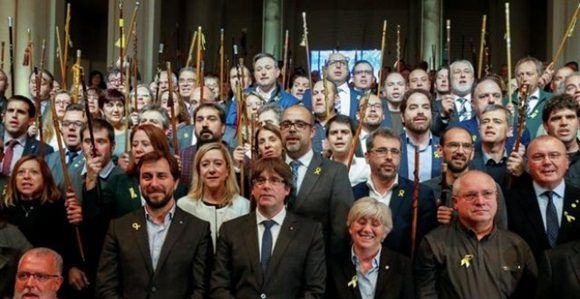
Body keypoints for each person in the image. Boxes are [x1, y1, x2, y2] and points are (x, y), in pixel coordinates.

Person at [96, 151, 212, 298]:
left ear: (175, 182)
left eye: (161, 176)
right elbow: (105, 286)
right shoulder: (119, 228)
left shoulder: (198, 230)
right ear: (139, 183)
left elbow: (201, 289)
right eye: (147, 177)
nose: (154, 183)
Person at [211, 157, 326, 298]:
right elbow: (219, 286)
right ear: (252, 189)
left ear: (287, 189)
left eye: (274, 180)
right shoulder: (230, 230)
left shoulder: (309, 232)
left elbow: (314, 289)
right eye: (260, 181)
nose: (266, 186)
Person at [415, 170, 537, 298]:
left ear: (496, 198)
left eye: (487, 194)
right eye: (471, 195)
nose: (480, 202)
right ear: (455, 202)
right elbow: (426, 294)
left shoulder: (517, 245)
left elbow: (532, 293)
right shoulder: (434, 244)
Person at [281, 105, 354, 255]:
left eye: (300, 125)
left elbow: (341, 230)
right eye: (286, 125)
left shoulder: (335, 172)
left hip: (318, 265)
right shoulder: (269, 170)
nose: (292, 129)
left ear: (313, 131)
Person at [352, 128, 437, 256]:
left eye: (395, 152)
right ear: (367, 157)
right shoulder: (352, 194)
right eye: (381, 151)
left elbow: (426, 249)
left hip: (403, 272)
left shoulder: (420, 195)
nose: (389, 157)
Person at [506, 135, 580, 262]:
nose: (546, 162)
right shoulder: (511, 201)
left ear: (567, 162)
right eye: (538, 157)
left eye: (554, 155)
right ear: (527, 164)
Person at [327, 197, 414, 299]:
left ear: (385, 231)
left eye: (375, 224)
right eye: (362, 222)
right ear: (350, 227)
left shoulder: (401, 265)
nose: (367, 229)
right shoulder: (334, 264)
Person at [423, 126, 508, 228]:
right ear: (440, 150)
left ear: (472, 153)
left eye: (466, 146)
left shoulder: (490, 188)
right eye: (453, 145)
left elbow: (501, 233)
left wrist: (456, 219)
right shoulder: (425, 190)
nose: (460, 151)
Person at [96, 124, 187, 218]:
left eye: (145, 144)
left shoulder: (176, 186)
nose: (138, 149)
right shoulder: (118, 183)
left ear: (159, 148)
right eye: (134, 145)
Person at [177, 142, 250, 248]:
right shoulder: (184, 206)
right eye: (205, 164)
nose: (211, 170)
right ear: (199, 171)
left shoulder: (243, 206)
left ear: (228, 170)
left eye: (218, 163)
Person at [226, 53, 299, 127]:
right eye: (258, 69)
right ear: (254, 74)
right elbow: (230, 126)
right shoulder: (242, 96)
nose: (263, 73)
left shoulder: (291, 102)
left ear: (277, 72)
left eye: (268, 68)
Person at [469, 105, 525, 186]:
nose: (489, 125)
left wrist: (520, 175)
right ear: (479, 129)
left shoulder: (518, 162)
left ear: (509, 131)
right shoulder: (469, 159)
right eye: (485, 121)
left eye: (497, 121)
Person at [1, 96, 54, 175]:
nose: (14, 115)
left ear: (31, 121)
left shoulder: (43, 150)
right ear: (3, 117)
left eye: (21, 112)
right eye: (10, 110)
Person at [398, 89, 441, 182]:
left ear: (432, 115)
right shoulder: (393, 146)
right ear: (402, 116)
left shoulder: (444, 147)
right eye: (413, 107)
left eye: (425, 107)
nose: (420, 111)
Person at [45, 104, 86, 196]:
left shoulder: (93, 160)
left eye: (78, 124)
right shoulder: (48, 159)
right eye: (66, 124)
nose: (71, 128)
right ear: (61, 129)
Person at [303, 52, 361, 119]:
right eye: (333, 63)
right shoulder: (308, 95)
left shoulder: (360, 98)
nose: (338, 66)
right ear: (326, 70)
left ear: (348, 70)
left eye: (343, 63)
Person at [507, 56, 552, 138]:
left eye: (529, 74)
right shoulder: (506, 101)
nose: (524, 78)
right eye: (520, 75)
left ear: (539, 76)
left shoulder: (551, 100)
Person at [325, 114, 370, 187]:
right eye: (334, 132)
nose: (339, 136)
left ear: (353, 139)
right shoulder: (319, 170)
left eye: (344, 132)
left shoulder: (366, 167)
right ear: (327, 140)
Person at [98, 88, 128, 158]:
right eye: (110, 105)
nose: (116, 110)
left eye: (119, 105)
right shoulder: (96, 132)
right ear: (101, 110)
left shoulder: (130, 133)